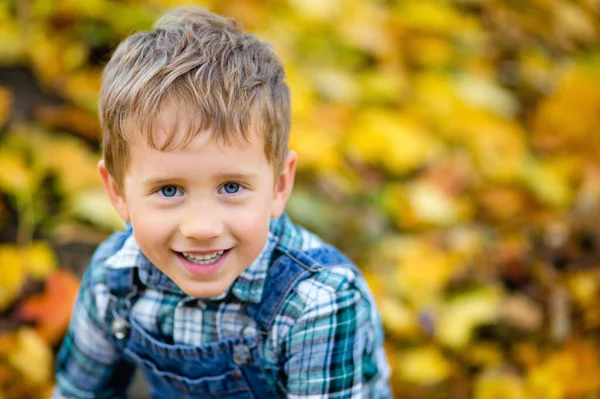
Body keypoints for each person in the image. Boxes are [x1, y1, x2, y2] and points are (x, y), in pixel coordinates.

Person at [53, 6, 391, 398]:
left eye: (231, 187)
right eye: (168, 190)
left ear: (279, 185)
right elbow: (77, 392)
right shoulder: (113, 281)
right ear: (117, 193)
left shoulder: (318, 303)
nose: (202, 227)